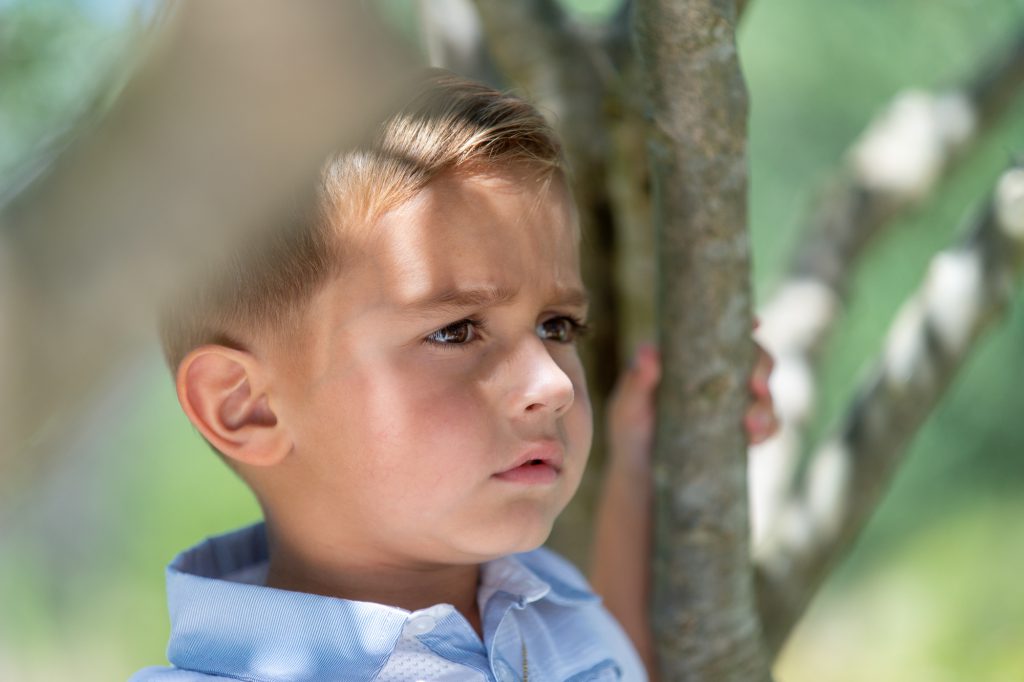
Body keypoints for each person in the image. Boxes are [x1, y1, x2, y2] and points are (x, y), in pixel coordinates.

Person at [131, 71, 776, 682]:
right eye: (455, 331)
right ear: (246, 407)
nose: (551, 384)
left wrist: (644, 460)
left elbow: (621, 663)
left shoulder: (541, 603)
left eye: (557, 326)